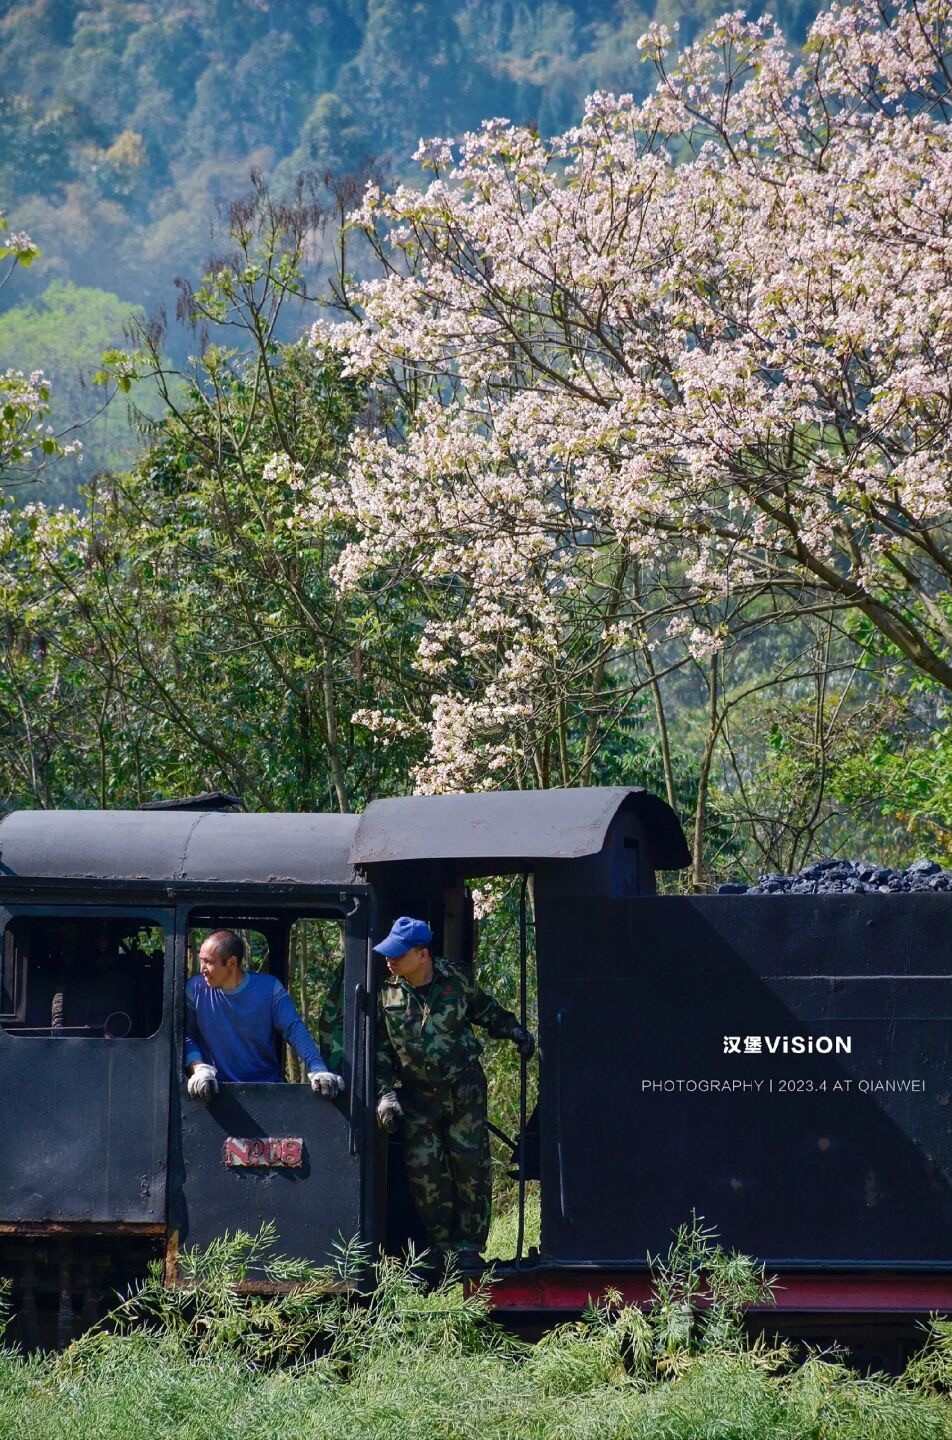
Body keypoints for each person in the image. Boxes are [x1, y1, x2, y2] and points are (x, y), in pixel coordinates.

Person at [373, 915, 534, 1263]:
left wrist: (516, 1032)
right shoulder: (386, 993)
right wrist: (384, 1093)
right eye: (389, 954)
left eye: (398, 954)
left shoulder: (456, 979)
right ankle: (443, 1250)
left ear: (422, 954)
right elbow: (382, 1051)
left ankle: (470, 1249)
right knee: (426, 1175)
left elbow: (487, 1011)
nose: (390, 960)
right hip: (418, 1097)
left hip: (464, 1090)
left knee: (471, 1169)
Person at [184, 929, 344, 1100]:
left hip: (266, 1092)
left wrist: (318, 1068)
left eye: (208, 962)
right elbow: (186, 1034)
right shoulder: (196, 989)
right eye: (201, 961)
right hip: (217, 1092)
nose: (202, 969)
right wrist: (199, 1068)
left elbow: (294, 1029)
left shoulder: (269, 989)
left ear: (232, 963)